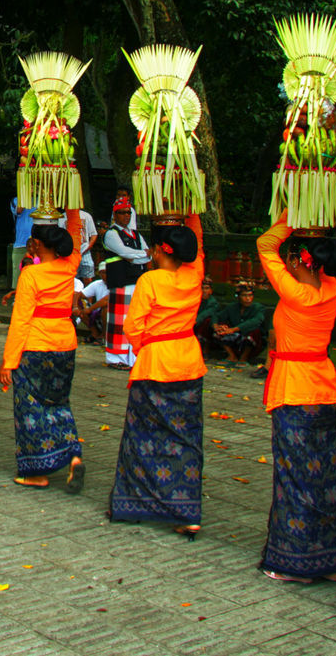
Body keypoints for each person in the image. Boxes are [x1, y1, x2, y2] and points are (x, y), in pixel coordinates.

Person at [255, 215, 336, 583]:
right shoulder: (331, 288)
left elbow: (264, 244)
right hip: (325, 387)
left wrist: (289, 218)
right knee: (324, 475)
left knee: (293, 474)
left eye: (291, 258)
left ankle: (294, 561)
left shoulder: (296, 293)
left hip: (295, 389)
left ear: (297, 261)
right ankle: (325, 558)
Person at [107, 214, 205, 536]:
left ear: (160, 251)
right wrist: (191, 210)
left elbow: (132, 328)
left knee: (142, 437)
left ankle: (135, 502)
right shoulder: (194, 275)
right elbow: (198, 246)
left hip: (155, 365)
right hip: (189, 361)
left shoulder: (149, 281)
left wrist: (149, 344)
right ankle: (187, 513)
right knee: (186, 438)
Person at [0, 213, 84, 490]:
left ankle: (36, 472)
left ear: (35, 244)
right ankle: (72, 455)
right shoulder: (70, 266)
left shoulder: (31, 274)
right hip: (64, 344)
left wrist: (8, 361)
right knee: (59, 402)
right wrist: (71, 208)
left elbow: (20, 320)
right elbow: (77, 235)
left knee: (31, 409)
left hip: (36, 346)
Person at [101, 193, 150, 369]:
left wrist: (138, 256)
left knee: (135, 320)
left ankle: (133, 356)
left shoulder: (136, 234)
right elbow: (126, 253)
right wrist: (140, 256)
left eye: (128, 213)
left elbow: (143, 254)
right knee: (118, 320)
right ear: (115, 215)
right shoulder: (111, 234)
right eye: (122, 213)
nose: (126, 216)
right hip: (120, 281)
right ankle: (115, 358)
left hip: (136, 281)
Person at [213, 282, 268, 364]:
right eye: (244, 296)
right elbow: (217, 316)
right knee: (218, 332)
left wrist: (234, 329)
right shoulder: (232, 307)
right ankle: (232, 356)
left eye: (250, 295)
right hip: (236, 338)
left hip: (251, 342)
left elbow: (256, 321)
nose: (248, 298)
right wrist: (216, 326)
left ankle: (244, 358)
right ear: (238, 297)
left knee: (255, 332)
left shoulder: (259, 308)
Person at [59, 208, 99, 281]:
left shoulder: (86, 216)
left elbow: (94, 234)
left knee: (88, 278)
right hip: (70, 254)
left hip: (85, 253)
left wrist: (88, 247)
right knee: (72, 279)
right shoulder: (61, 218)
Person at [9, 197, 35, 287]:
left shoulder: (40, 198)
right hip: (21, 243)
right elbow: (19, 210)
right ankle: (17, 297)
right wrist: (26, 193)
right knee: (18, 273)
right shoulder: (16, 200)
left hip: (37, 243)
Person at [194, 277, 221, 358]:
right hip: (192, 324)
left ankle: (205, 349)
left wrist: (193, 322)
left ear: (211, 291)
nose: (204, 291)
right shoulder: (194, 300)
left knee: (208, 320)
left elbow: (204, 315)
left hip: (201, 326)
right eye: (202, 288)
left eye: (207, 288)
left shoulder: (213, 303)